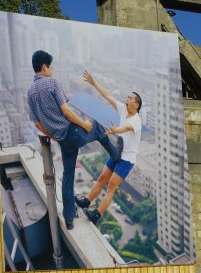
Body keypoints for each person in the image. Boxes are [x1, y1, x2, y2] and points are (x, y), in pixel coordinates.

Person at [27, 50, 120, 230]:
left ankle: (69, 219)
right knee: (98, 128)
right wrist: (84, 125)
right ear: (44, 67)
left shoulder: (30, 92)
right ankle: (116, 157)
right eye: (50, 66)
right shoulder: (52, 83)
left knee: (67, 176)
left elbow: (37, 124)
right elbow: (67, 111)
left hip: (62, 139)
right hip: (73, 131)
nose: (52, 70)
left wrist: (53, 135)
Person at [75, 70, 142, 224]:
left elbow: (126, 129)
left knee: (111, 185)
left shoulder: (137, 120)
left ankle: (96, 215)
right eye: (128, 97)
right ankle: (86, 201)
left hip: (126, 160)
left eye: (131, 98)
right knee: (102, 178)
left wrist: (115, 130)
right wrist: (93, 83)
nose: (128, 99)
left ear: (136, 104)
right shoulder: (124, 110)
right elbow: (107, 96)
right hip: (116, 154)